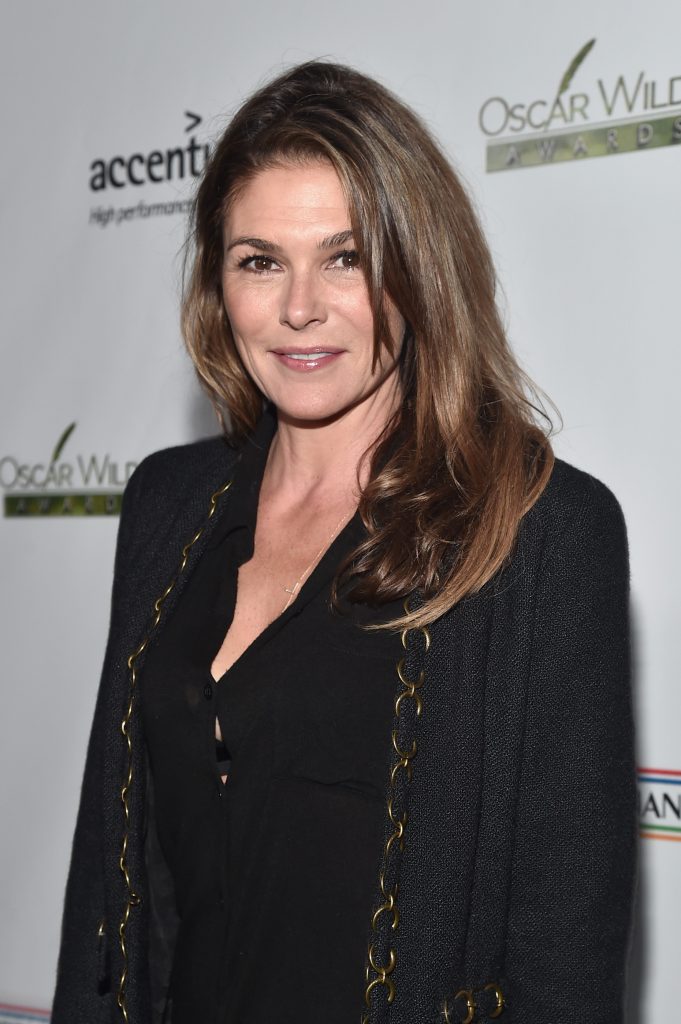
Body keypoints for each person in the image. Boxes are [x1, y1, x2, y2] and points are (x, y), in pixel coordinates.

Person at [52, 61, 636, 1024]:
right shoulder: (167, 502)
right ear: (218, 283)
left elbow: (562, 962)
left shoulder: (539, 531)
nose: (298, 307)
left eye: (345, 258)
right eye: (259, 261)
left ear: (419, 270)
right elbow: (105, 896)